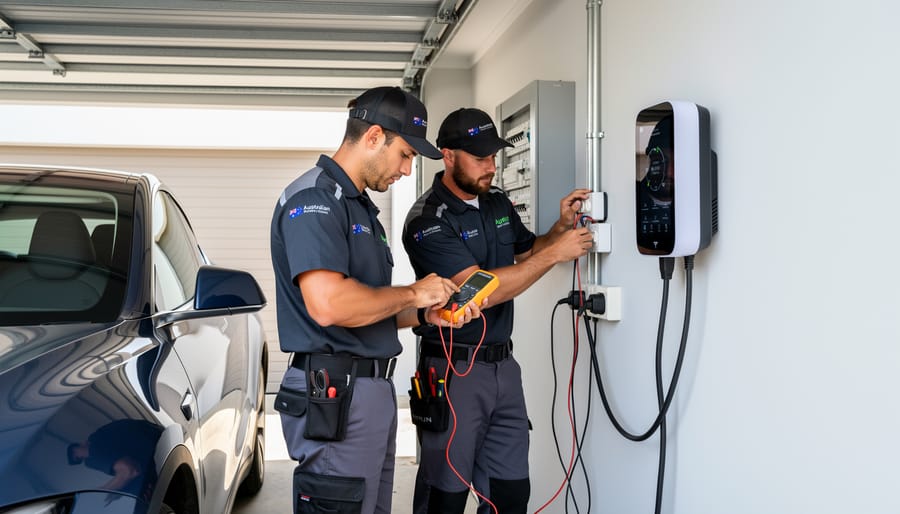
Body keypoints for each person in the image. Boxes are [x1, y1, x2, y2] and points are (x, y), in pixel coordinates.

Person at [269, 86, 482, 514]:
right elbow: (329, 305)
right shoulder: (315, 201)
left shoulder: (361, 208)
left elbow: (369, 306)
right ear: (373, 137)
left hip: (368, 392)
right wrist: (413, 291)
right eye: (405, 154)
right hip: (336, 393)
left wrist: (424, 313)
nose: (407, 169)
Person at [401, 107, 594, 514]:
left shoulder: (497, 203)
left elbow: (528, 251)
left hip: (503, 367)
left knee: (510, 495)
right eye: (479, 158)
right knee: (446, 497)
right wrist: (556, 255)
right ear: (448, 156)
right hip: (453, 370)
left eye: (493, 156)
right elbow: (480, 291)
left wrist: (559, 230)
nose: (491, 166)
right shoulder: (426, 221)